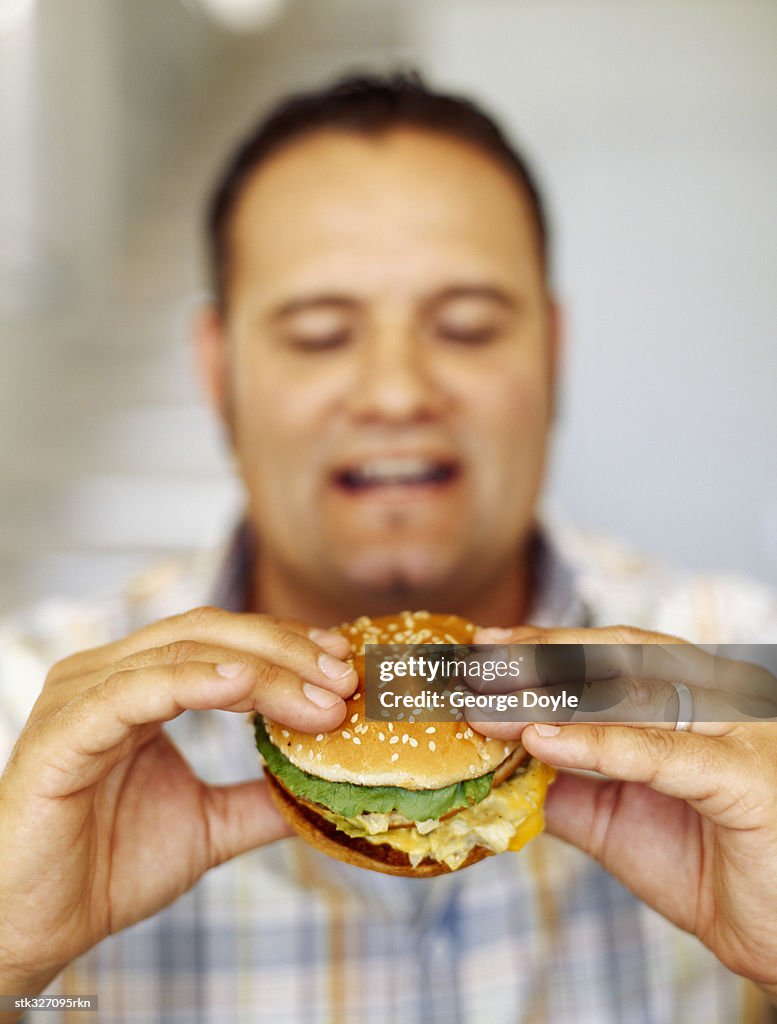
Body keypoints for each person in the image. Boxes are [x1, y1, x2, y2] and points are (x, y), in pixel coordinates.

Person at [1, 72, 776, 1024]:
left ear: (551, 349)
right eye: (321, 335)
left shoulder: (745, 670)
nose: (398, 392)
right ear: (218, 370)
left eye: (466, 327)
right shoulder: (25, 713)